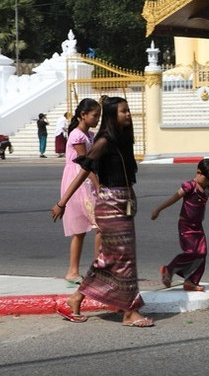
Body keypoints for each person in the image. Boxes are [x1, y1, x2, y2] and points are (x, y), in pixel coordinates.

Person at [51, 97, 153, 327]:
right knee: (124, 258)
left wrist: (132, 197)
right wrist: (62, 202)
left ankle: (75, 299)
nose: (128, 114)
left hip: (123, 201)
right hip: (109, 204)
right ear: (112, 116)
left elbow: (127, 175)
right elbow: (83, 171)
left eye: (128, 110)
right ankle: (129, 311)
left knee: (109, 258)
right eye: (123, 111)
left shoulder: (123, 140)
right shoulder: (104, 141)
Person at [151, 158, 209, 292]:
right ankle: (169, 269)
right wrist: (158, 210)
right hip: (186, 226)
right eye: (207, 178)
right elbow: (174, 198)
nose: (208, 182)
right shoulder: (189, 186)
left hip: (198, 226)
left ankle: (191, 281)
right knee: (191, 252)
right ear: (198, 172)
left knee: (202, 253)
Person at [60, 99, 101, 287]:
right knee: (98, 225)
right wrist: (98, 185)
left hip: (83, 179)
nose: (97, 119)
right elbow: (86, 164)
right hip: (80, 179)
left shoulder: (89, 134)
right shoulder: (77, 136)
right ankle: (99, 270)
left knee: (83, 230)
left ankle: (73, 271)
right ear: (83, 115)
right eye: (95, 115)